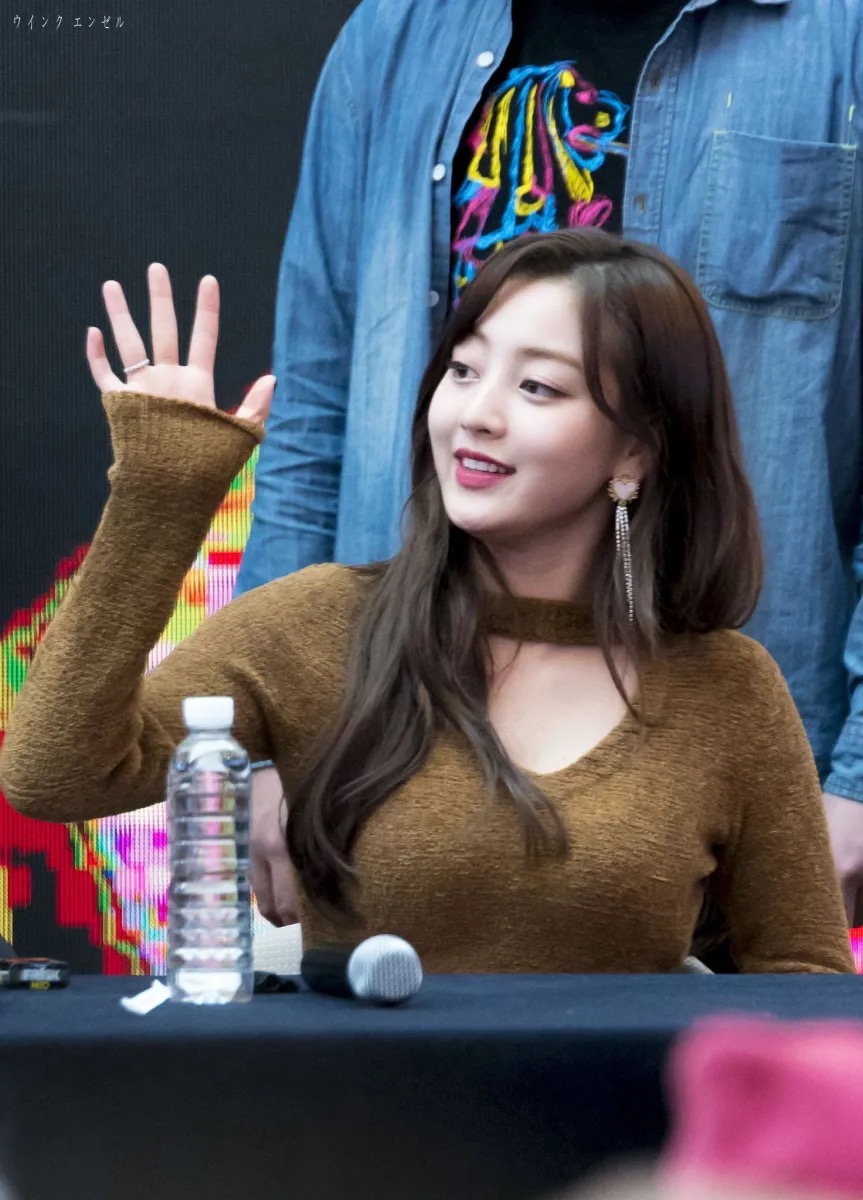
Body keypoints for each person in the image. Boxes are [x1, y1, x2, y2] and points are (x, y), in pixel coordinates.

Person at [0, 231, 854, 973]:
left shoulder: (727, 687)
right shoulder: (319, 623)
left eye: (537, 387)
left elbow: (800, 977)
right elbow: (53, 773)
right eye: (463, 369)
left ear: (634, 452)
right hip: (358, 1110)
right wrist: (158, 493)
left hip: (621, 1117)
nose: (475, 414)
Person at [233, 0, 863, 928]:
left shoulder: (839, 37)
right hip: (393, 759)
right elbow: (314, 414)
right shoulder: (397, 33)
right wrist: (261, 747)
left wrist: (858, 781)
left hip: (730, 783)